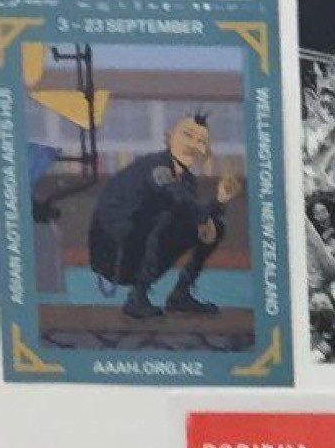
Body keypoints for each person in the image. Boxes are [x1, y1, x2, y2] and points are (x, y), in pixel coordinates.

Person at [85, 113, 235, 322]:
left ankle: (180, 294)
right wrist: (215, 205)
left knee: (215, 225)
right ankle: (137, 298)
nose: (193, 144)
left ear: (205, 151)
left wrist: (218, 205)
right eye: (188, 135)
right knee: (167, 216)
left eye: (201, 141)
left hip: (139, 251)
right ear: (169, 137)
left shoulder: (187, 180)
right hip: (113, 253)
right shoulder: (157, 167)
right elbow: (181, 202)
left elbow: (193, 212)